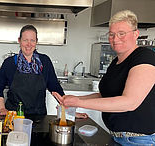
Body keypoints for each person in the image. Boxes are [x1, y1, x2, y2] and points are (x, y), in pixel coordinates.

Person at [53, 10, 155, 145]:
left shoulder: (144, 57)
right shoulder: (116, 62)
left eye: (121, 33)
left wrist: (79, 103)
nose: (115, 38)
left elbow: (130, 102)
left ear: (136, 34)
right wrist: (73, 100)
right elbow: (105, 95)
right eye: (111, 34)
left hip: (139, 140)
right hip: (117, 137)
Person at [0, 25, 88, 118]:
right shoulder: (9, 63)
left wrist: (69, 111)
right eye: (25, 40)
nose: (29, 44)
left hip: (39, 116)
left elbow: (55, 88)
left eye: (32, 40)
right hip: (13, 115)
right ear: (19, 40)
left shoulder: (45, 61)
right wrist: (2, 108)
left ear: (36, 42)